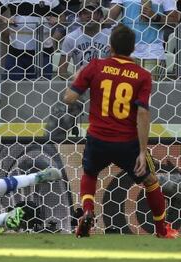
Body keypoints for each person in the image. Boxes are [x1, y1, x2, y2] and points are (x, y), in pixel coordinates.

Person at [63, 24, 178, 239]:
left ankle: (88, 210)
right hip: (127, 143)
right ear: (133, 48)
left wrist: (78, 75)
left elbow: (69, 98)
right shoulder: (142, 75)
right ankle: (162, 230)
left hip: (97, 138)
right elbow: (143, 114)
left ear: (110, 46)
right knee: (151, 181)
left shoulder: (95, 66)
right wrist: (143, 151)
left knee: (89, 173)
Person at [107, 0, 179, 80]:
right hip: (127, 51)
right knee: (127, 88)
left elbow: (174, 21)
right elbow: (109, 19)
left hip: (153, 52)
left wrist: (155, 17)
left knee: (152, 90)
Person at [59, 0, 111, 79]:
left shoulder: (111, 36)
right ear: (79, 16)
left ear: (100, 15)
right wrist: (76, 82)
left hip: (105, 85)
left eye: (93, 13)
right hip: (81, 87)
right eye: (85, 13)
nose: (89, 16)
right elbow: (62, 70)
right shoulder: (71, 38)